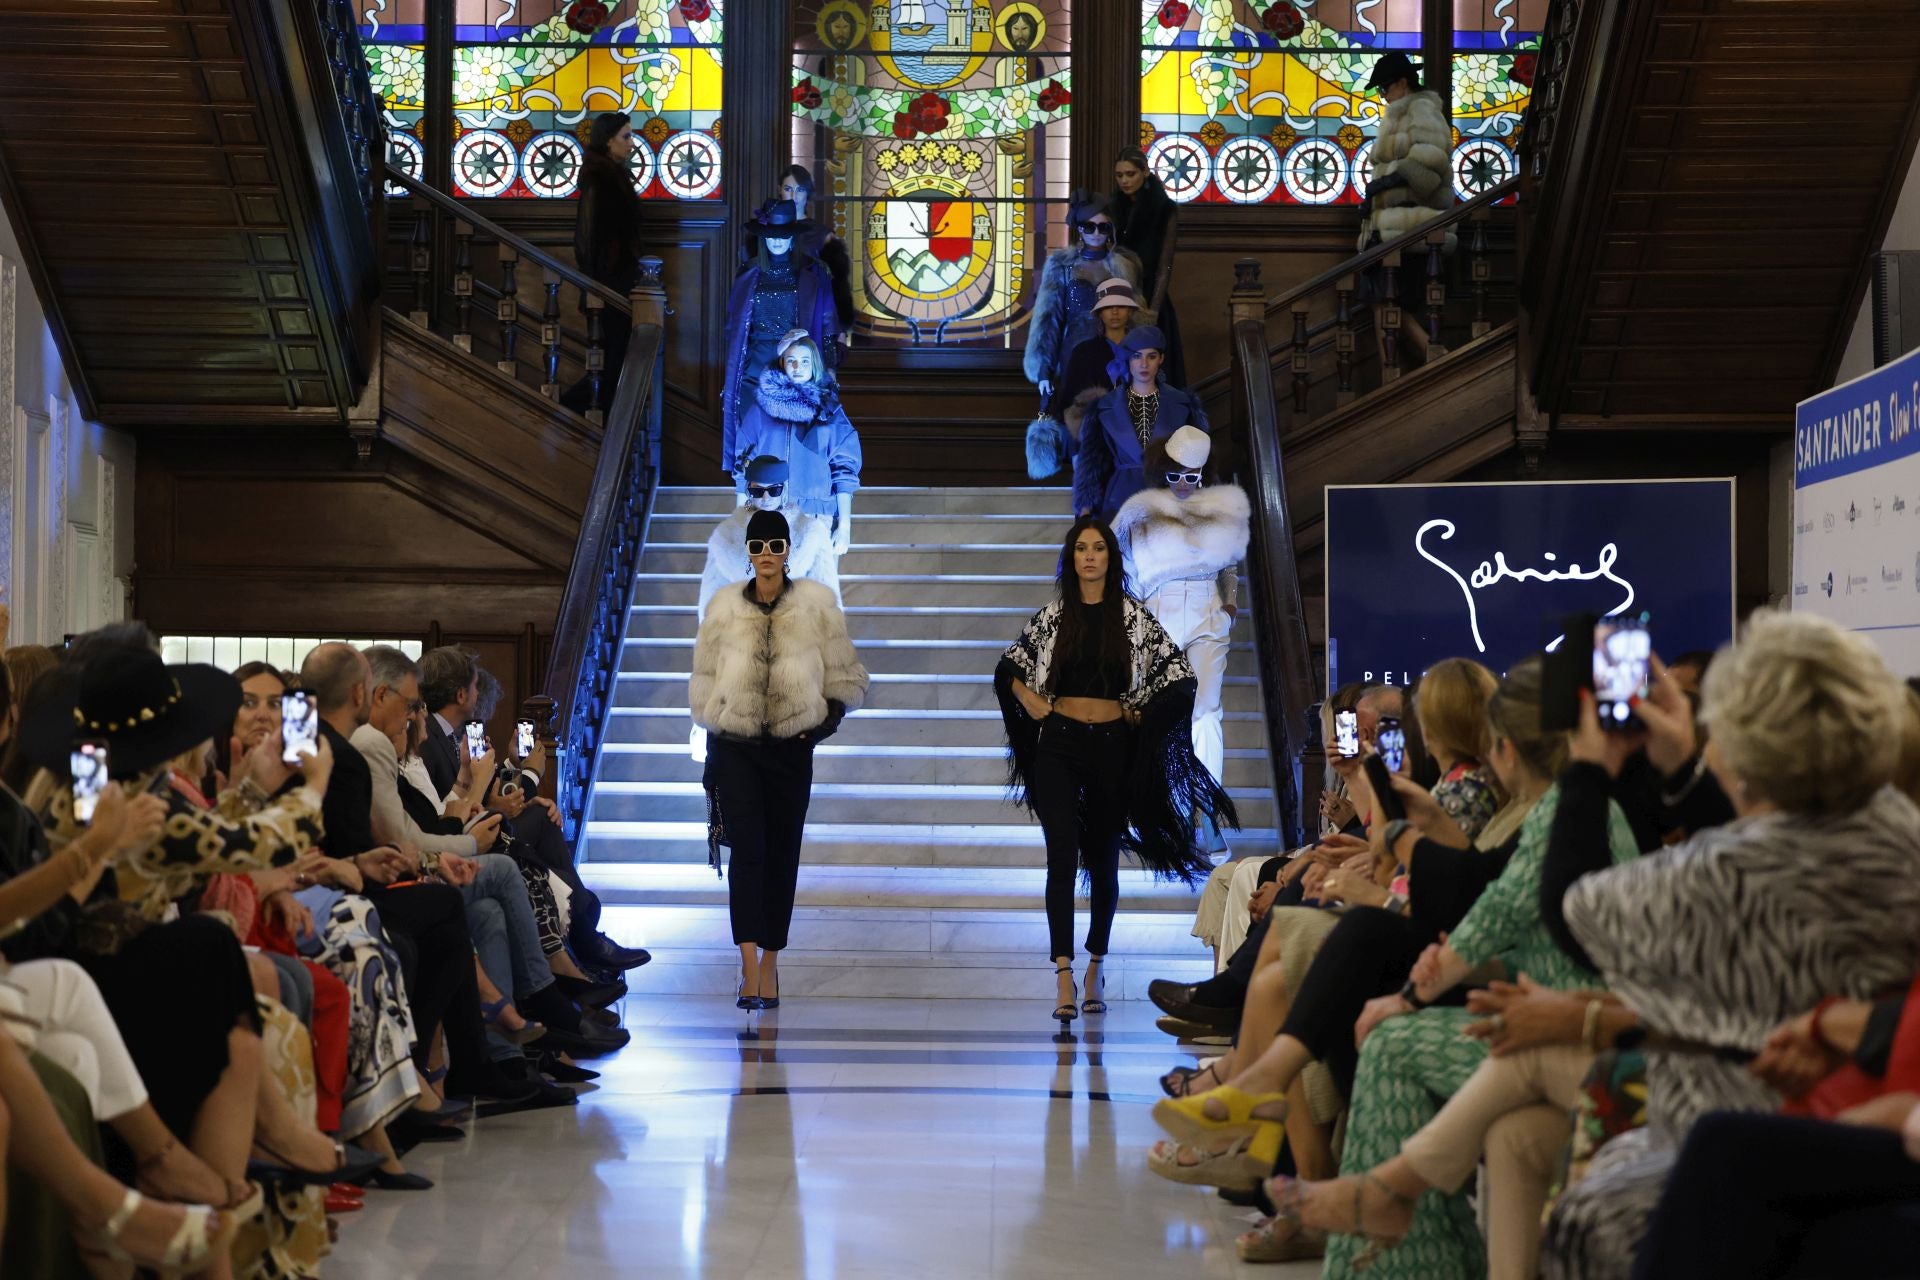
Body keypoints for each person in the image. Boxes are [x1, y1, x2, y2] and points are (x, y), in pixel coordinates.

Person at [1543, 610, 1920, 1280]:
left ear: (1746, 749)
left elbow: (1574, 910)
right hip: (1876, 1136)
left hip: (1760, 1150)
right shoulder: (1900, 829)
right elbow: (1758, 851)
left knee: (1588, 1216)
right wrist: (1684, 772)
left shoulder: (1728, 873)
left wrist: (1589, 769)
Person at [994, 517, 1235, 1027]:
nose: (1089, 556)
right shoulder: (1054, 616)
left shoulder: (1133, 618)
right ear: (1071, 557)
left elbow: (1180, 676)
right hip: (1058, 746)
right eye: (1080, 548)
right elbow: (1007, 669)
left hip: (1111, 747)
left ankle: (1096, 964)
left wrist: (1142, 715)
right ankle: (1063, 971)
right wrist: (1029, 698)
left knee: (1102, 859)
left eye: (1098, 548)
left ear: (1110, 557)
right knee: (1060, 853)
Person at [689, 509, 868, 1011]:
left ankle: (770, 963)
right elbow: (704, 679)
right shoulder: (723, 608)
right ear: (747, 553)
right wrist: (713, 719)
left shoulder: (816, 606)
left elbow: (847, 675)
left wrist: (821, 723)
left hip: (791, 751)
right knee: (747, 854)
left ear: (788, 551)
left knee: (781, 856)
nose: (766, 554)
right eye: (757, 545)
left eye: (775, 545)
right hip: (736, 748)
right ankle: (748, 972)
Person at [1112, 426, 1247, 854]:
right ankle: (1158, 808)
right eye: (1176, 476)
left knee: (1206, 712)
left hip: (1207, 609)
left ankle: (1206, 812)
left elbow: (1229, 563)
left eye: (1193, 476)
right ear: (1163, 471)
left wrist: (1228, 604)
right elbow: (1122, 566)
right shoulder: (1139, 511)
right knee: (1159, 712)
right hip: (1158, 609)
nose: (1185, 485)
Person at [722, 200, 842, 475]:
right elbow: (734, 325)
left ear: (793, 237)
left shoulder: (813, 271)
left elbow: (827, 322)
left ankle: (790, 491)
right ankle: (750, 494)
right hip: (755, 359)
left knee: (791, 429)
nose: (776, 241)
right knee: (753, 426)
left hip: (794, 360)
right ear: (763, 238)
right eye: (771, 236)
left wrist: (830, 367)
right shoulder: (748, 272)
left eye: (783, 235)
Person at [1357, 52, 1454, 368]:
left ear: (1402, 82)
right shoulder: (1400, 114)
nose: (1383, 95)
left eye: (1385, 87)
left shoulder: (1421, 109)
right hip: (1390, 225)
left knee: (1387, 301)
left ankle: (1437, 359)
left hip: (1412, 226)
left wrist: (1386, 182)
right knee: (1379, 300)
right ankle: (1393, 374)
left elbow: (1431, 161)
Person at [728, 330, 863, 555]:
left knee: (815, 588)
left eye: (804, 361)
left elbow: (844, 470)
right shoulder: (761, 411)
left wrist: (845, 526)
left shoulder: (829, 412)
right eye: (791, 361)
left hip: (816, 516)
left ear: (814, 364)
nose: (798, 367)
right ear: (782, 363)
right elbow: (744, 465)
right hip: (768, 513)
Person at [1074, 325, 1210, 520]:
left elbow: (1199, 460)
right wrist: (1085, 507)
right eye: (1137, 356)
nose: (1143, 364)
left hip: (1169, 496)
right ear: (1128, 359)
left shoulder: (1184, 404)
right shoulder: (1104, 406)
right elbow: (1092, 461)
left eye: (1151, 356)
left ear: (1161, 359)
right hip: (1120, 498)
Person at [1024, 191, 1142, 409]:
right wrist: (1043, 370)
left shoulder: (1122, 266)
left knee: (1114, 416)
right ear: (1079, 228)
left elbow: (1135, 319)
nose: (1096, 233)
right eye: (1089, 227)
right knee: (1076, 418)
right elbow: (1048, 319)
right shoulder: (1061, 265)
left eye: (1103, 227)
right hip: (1074, 353)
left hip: (1114, 353)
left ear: (1111, 230)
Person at [562, 111, 644, 414]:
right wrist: (600, 282)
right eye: (626, 136)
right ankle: (563, 409)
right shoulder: (599, 179)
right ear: (609, 141)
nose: (631, 143)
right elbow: (585, 239)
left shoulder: (614, 176)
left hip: (618, 283)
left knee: (616, 362)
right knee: (611, 363)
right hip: (607, 286)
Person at [1025, 276, 1139, 481]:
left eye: (1120, 306)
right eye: (1108, 307)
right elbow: (1070, 402)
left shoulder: (1143, 350)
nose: (1114, 312)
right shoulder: (1083, 352)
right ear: (1099, 313)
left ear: (1130, 311)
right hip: (1091, 430)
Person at [700, 455, 840, 617]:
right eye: (758, 491)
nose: (766, 498)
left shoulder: (810, 532)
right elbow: (711, 598)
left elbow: (826, 594)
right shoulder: (725, 535)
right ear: (748, 490)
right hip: (741, 632)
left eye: (774, 491)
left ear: (784, 489)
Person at [1109, 147, 1184, 384]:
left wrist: (1153, 311)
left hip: (1151, 295)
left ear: (1145, 172)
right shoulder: (1114, 207)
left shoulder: (1164, 209)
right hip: (1120, 292)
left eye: (1130, 174)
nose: (1124, 180)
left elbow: (1165, 265)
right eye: (1119, 175)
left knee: (1154, 371)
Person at [775, 165, 855, 336]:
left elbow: (838, 287)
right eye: (788, 189)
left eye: (800, 190)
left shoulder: (822, 234)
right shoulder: (766, 231)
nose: (794, 196)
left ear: (807, 193)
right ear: (779, 190)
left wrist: (839, 331)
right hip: (773, 313)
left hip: (811, 312)